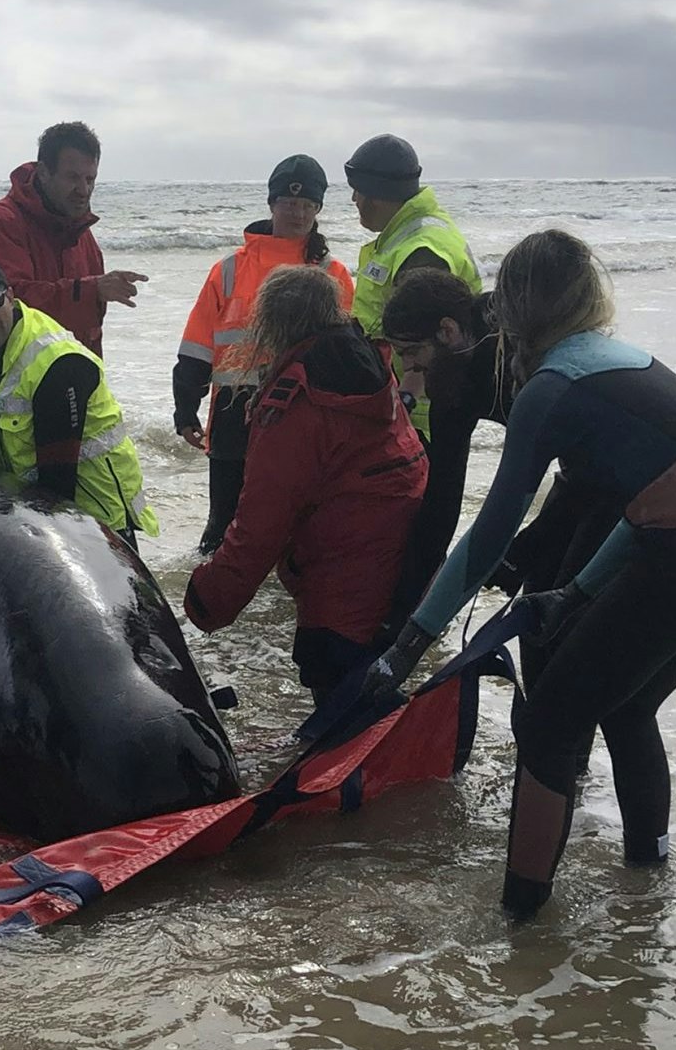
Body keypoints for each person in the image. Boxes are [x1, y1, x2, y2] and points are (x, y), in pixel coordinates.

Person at [359, 229, 676, 918]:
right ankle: (649, 876)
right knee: (624, 703)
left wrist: (408, 643)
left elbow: (490, 533)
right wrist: (576, 592)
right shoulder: (612, 358)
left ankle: (519, 923)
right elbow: (653, 503)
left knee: (552, 721)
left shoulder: (550, 388)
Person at [183, 264, 427, 703]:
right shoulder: (368, 365)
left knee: (338, 720)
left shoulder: (297, 401)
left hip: (344, 585)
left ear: (270, 325)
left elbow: (261, 523)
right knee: (374, 706)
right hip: (403, 565)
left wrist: (205, 601)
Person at [174, 155, 356, 555]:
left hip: (301, 414)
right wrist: (185, 407)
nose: (298, 213)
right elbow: (197, 344)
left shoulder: (333, 273)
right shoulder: (228, 269)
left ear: (319, 210)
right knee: (222, 527)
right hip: (232, 414)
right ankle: (210, 608)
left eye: (308, 205)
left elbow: (346, 357)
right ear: (272, 204)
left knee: (297, 528)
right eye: (289, 204)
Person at [0, 257, 158, 547]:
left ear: (9, 296)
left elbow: (57, 484)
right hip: (27, 508)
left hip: (96, 516)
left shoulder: (57, 362)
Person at [0, 122, 146, 358]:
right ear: (43, 172)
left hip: (70, 381)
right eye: (72, 177)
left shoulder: (83, 235)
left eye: (90, 179)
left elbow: (90, 333)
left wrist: (92, 383)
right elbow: (7, 310)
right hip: (5, 385)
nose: (83, 189)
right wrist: (91, 291)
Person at [344, 134, 481, 443]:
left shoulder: (421, 251)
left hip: (421, 411)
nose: (354, 200)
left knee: (424, 491)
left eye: (357, 190)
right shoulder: (409, 232)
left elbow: (427, 340)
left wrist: (402, 403)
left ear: (377, 195)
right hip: (411, 402)